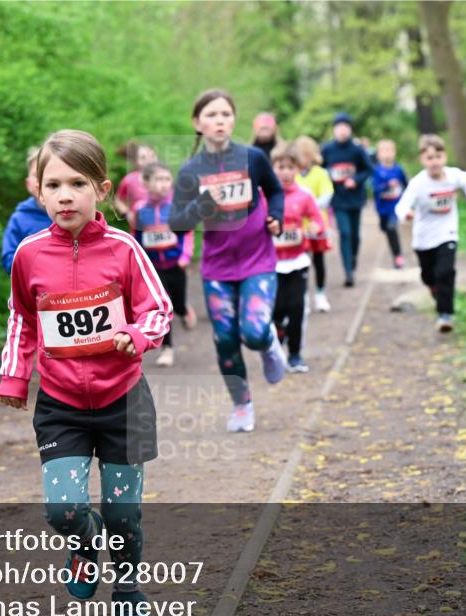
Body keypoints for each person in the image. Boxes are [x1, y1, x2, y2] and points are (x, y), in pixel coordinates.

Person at [0, 129, 172, 616]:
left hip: (125, 401)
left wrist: (137, 336)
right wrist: (14, 375)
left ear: (102, 188)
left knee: (124, 513)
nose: (65, 195)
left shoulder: (124, 249)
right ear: (39, 192)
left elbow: (157, 308)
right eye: (54, 185)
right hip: (61, 403)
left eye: (77, 183)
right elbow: (21, 318)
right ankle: (83, 540)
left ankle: (129, 594)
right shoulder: (30, 254)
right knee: (64, 507)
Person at [168, 89, 286, 433]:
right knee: (225, 338)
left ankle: (268, 344)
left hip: (257, 259)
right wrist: (203, 206)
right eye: (211, 115)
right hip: (218, 268)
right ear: (197, 123)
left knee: (253, 331)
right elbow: (177, 222)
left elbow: (275, 190)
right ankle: (242, 404)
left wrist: (276, 216)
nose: (219, 121)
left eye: (225, 114)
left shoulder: (253, 158)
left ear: (234, 120)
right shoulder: (191, 170)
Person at [395, 134, 466, 333]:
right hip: (424, 238)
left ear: (445, 156)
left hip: (447, 232)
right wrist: (406, 214)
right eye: (429, 158)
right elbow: (402, 205)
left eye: (438, 157)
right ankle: (434, 290)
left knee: (445, 272)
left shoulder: (453, 175)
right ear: (422, 160)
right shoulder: (418, 183)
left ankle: (445, 315)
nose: (434, 162)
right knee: (428, 276)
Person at [132, 161, 195, 368]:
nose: (163, 184)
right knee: (162, 307)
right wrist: (139, 263)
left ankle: (184, 311)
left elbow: (187, 233)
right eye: (158, 179)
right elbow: (137, 237)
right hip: (155, 268)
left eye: (167, 179)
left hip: (176, 264)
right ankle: (167, 348)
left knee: (177, 303)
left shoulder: (177, 207)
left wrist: (185, 255)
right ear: (146, 183)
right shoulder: (140, 210)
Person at [271, 143, 325, 373]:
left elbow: (317, 219)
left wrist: (313, 227)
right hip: (270, 264)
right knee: (276, 309)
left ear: (297, 169)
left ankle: (295, 355)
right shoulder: (264, 196)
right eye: (280, 167)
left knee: (296, 308)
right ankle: (279, 330)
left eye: (289, 167)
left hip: (297, 260)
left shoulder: (304, 195)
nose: (285, 172)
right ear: (272, 169)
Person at [321, 112, 372, 287]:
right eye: (339, 127)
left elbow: (368, 169)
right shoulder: (327, 150)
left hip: (355, 198)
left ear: (350, 130)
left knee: (355, 235)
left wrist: (355, 180)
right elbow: (319, 170)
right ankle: (348, 272)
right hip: (338, 199)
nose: (342, 131)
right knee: (345, 233)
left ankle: (353, 257)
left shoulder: (357, 150)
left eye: (345, 127)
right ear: (334, 130)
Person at [293, 135, 334, 312]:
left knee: (318, 261)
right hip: (297, 227)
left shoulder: (321, 173)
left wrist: (307, 207)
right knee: (301, 263)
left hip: (317, 226)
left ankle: (320, 294)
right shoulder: (292, 175)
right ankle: (303, 297)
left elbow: (326, 196)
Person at [0, 146, 51, 274]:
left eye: (46, 173)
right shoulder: (20, 218)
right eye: (36, 174)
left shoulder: (72, 215)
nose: (41, 179)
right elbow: (8, 259)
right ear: (28, 184)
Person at [371, 139, 408, 269]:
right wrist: (386, 186)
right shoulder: (376, 171)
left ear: (394, 152)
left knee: (392, 228)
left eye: (390, 150)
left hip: (396, 207)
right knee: (385, 228)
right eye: (384, 151)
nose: (387, 154)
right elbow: (374, 188)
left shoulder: (398, 170)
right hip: (382, 208)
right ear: (378, 154)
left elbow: (407, 186)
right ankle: (396, 253)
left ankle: (398, 257)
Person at [113, 141, 158, 227]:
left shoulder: (166, 177)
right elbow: (118, 199)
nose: (149, 160)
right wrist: (127, 213)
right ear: (136, 161)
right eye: (143, 157)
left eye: (152, 156)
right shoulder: (130, 180)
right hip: (140, 230)